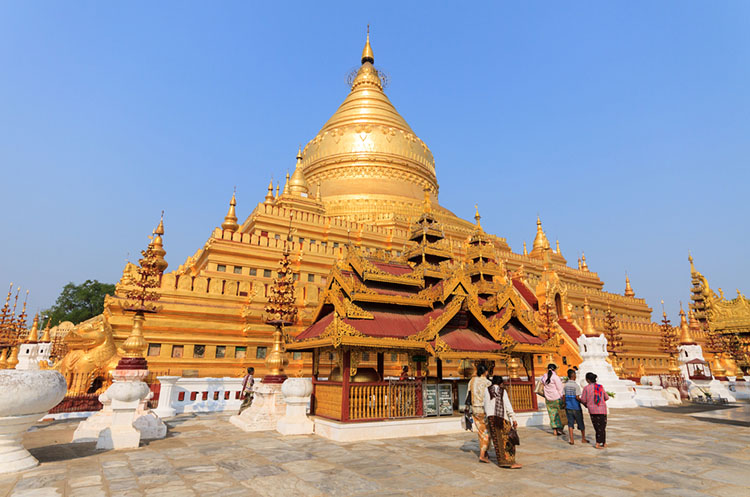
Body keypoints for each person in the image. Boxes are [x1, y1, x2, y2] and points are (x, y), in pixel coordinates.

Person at [484, 375, 521, 469]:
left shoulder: (487, 390)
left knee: (497, 440)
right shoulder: (502, 391)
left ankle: (501, 461)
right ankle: (510, 462)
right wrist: (513, 418)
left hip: (491, 418)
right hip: (501, 418)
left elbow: (485, 404)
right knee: (508, 440)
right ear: (501, 383)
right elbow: (508, 406)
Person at [468, 364, 492, 463]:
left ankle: (485, 452)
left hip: (474, 409)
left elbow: (468, 395)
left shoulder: (472, 381)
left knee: (481, 432)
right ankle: (482, 455)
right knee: (486, 432)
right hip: (483, 410)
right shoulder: (488, 382)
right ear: (485, 372)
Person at [579, 372, 610, 449]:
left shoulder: (586, 388)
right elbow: (606, 397)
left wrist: (587, 404)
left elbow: (583, 399)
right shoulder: (600, 387)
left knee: (597, 427)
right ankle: (603, 442)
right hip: (602, 409)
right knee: (602, 427)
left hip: (592, 410)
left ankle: (598, 443)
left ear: (587, 380)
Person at [539, 363, 565, 436]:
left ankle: (554, 431)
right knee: (559, 414)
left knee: (552, 415)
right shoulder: (555, 377)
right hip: (556, 398)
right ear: (555, 369)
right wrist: (562, 398)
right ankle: (560, 429)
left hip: (548, 399)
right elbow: (560, 389)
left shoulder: (544, 377)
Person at [563, 368, 587, 445]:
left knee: (570, 423)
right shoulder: (576, 386)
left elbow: (563, 396)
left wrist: (564, 403)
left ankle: (571, 440)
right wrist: (583, 403)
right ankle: (583, 438)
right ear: (574, 376)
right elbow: (577, 397)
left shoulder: (565, 385)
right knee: (580, 422)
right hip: (576, 407)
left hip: (568, 406)